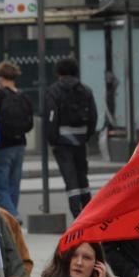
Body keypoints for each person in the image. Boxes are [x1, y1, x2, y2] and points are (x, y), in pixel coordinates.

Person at [45, 58, 98, 216]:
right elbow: (93, 116)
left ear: (58, 72)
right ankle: (88, 210)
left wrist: (52, 139)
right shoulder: (86, 90)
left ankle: (76, 213)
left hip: (62, 141)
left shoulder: (53, 91)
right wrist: (86, 136)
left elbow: (51, 117)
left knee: (70, 178)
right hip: (80, 139)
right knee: (82, 176)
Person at [0, 61, 33, 219]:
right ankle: (12, 218)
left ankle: (13, 217)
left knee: (1, 185)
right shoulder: (23, 96)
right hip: (20, 144)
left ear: (1, 78)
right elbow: (30, 123)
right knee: (14, 184)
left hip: (3, 145)